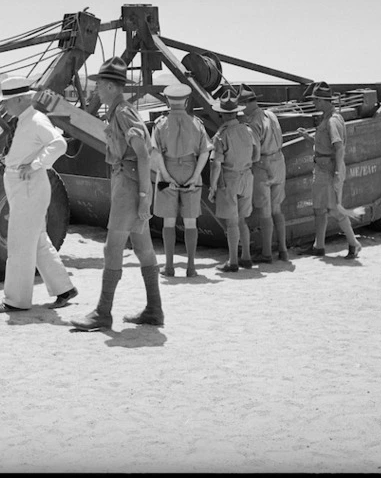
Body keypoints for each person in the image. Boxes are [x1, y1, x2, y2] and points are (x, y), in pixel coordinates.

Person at [70, 57, 164, 330]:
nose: (96, 89)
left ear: (111, 86)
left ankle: (102, 313)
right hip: (129, 183)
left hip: (130, 188)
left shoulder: (122, 112)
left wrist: (145, 197)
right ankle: (154, 309)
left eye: (99, 84)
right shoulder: (118, 111)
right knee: (143, 248)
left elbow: (143, 154)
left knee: (112, 248)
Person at [0, 77, 78, 313]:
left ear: (20, 99)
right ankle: (64, 288)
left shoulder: (37, 120)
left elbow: (59, 144)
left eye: (7, 101)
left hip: (29, 185)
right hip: (23, 186)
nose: (5, 106)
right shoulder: (23, 120)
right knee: (36, 240)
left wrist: (37, 164)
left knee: (19, 243)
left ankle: (15, 301)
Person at [151, 83, 212, 278]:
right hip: (190, 168)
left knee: (168, 221)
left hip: (167, 169)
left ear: (168, 101)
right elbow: (204, 152)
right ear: (186, 101)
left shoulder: (160, 123)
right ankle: (191, 267)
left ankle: (169, 267)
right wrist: (195, 176)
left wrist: (166, 176)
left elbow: (156, 153)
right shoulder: (196, 123)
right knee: (190, 221)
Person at [296, 81, 362, 260]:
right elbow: (324, 145)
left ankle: (354, 244)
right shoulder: (332, 117)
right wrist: (308, 138)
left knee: (334, 209)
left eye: (316, 100)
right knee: (319, 209)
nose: (314, 103)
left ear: (324, 100)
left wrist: (338, 172)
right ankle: (319, 246)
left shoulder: (332, 121)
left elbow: (338, 147)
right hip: (324, 168)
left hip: (328, 170)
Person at [208, 87, 260, 272]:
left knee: (231, 222)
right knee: (242, 220)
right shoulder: (248, 130)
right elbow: (256, 157)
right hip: (247, 177)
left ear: (222, 115)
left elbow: (216, 165)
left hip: (229, 180)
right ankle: (246, 257)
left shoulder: (221, 135)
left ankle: (232, 261)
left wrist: (213, 187)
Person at [238, 84, 289, 263]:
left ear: (244, 104)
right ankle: (283, 250)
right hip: (279, 162)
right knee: (277, 209)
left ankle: (267, 253)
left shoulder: (253, 124)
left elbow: (255, 153)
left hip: (263, 165)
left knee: (265, 212)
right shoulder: (271, 114)